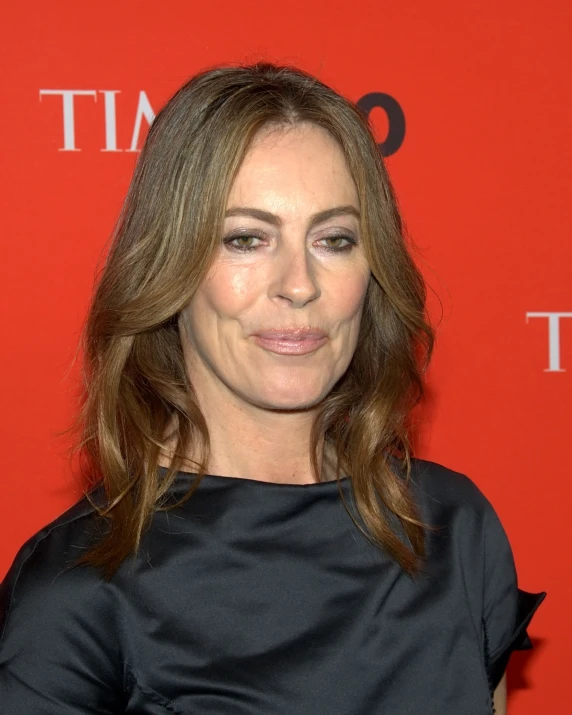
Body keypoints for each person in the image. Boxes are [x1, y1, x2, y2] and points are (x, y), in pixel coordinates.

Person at [0, 62, 545, 715]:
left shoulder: (454, 531)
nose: (299, 284)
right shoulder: (79, 591)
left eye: (335, 239)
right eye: (247, 238)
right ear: (171, 265)